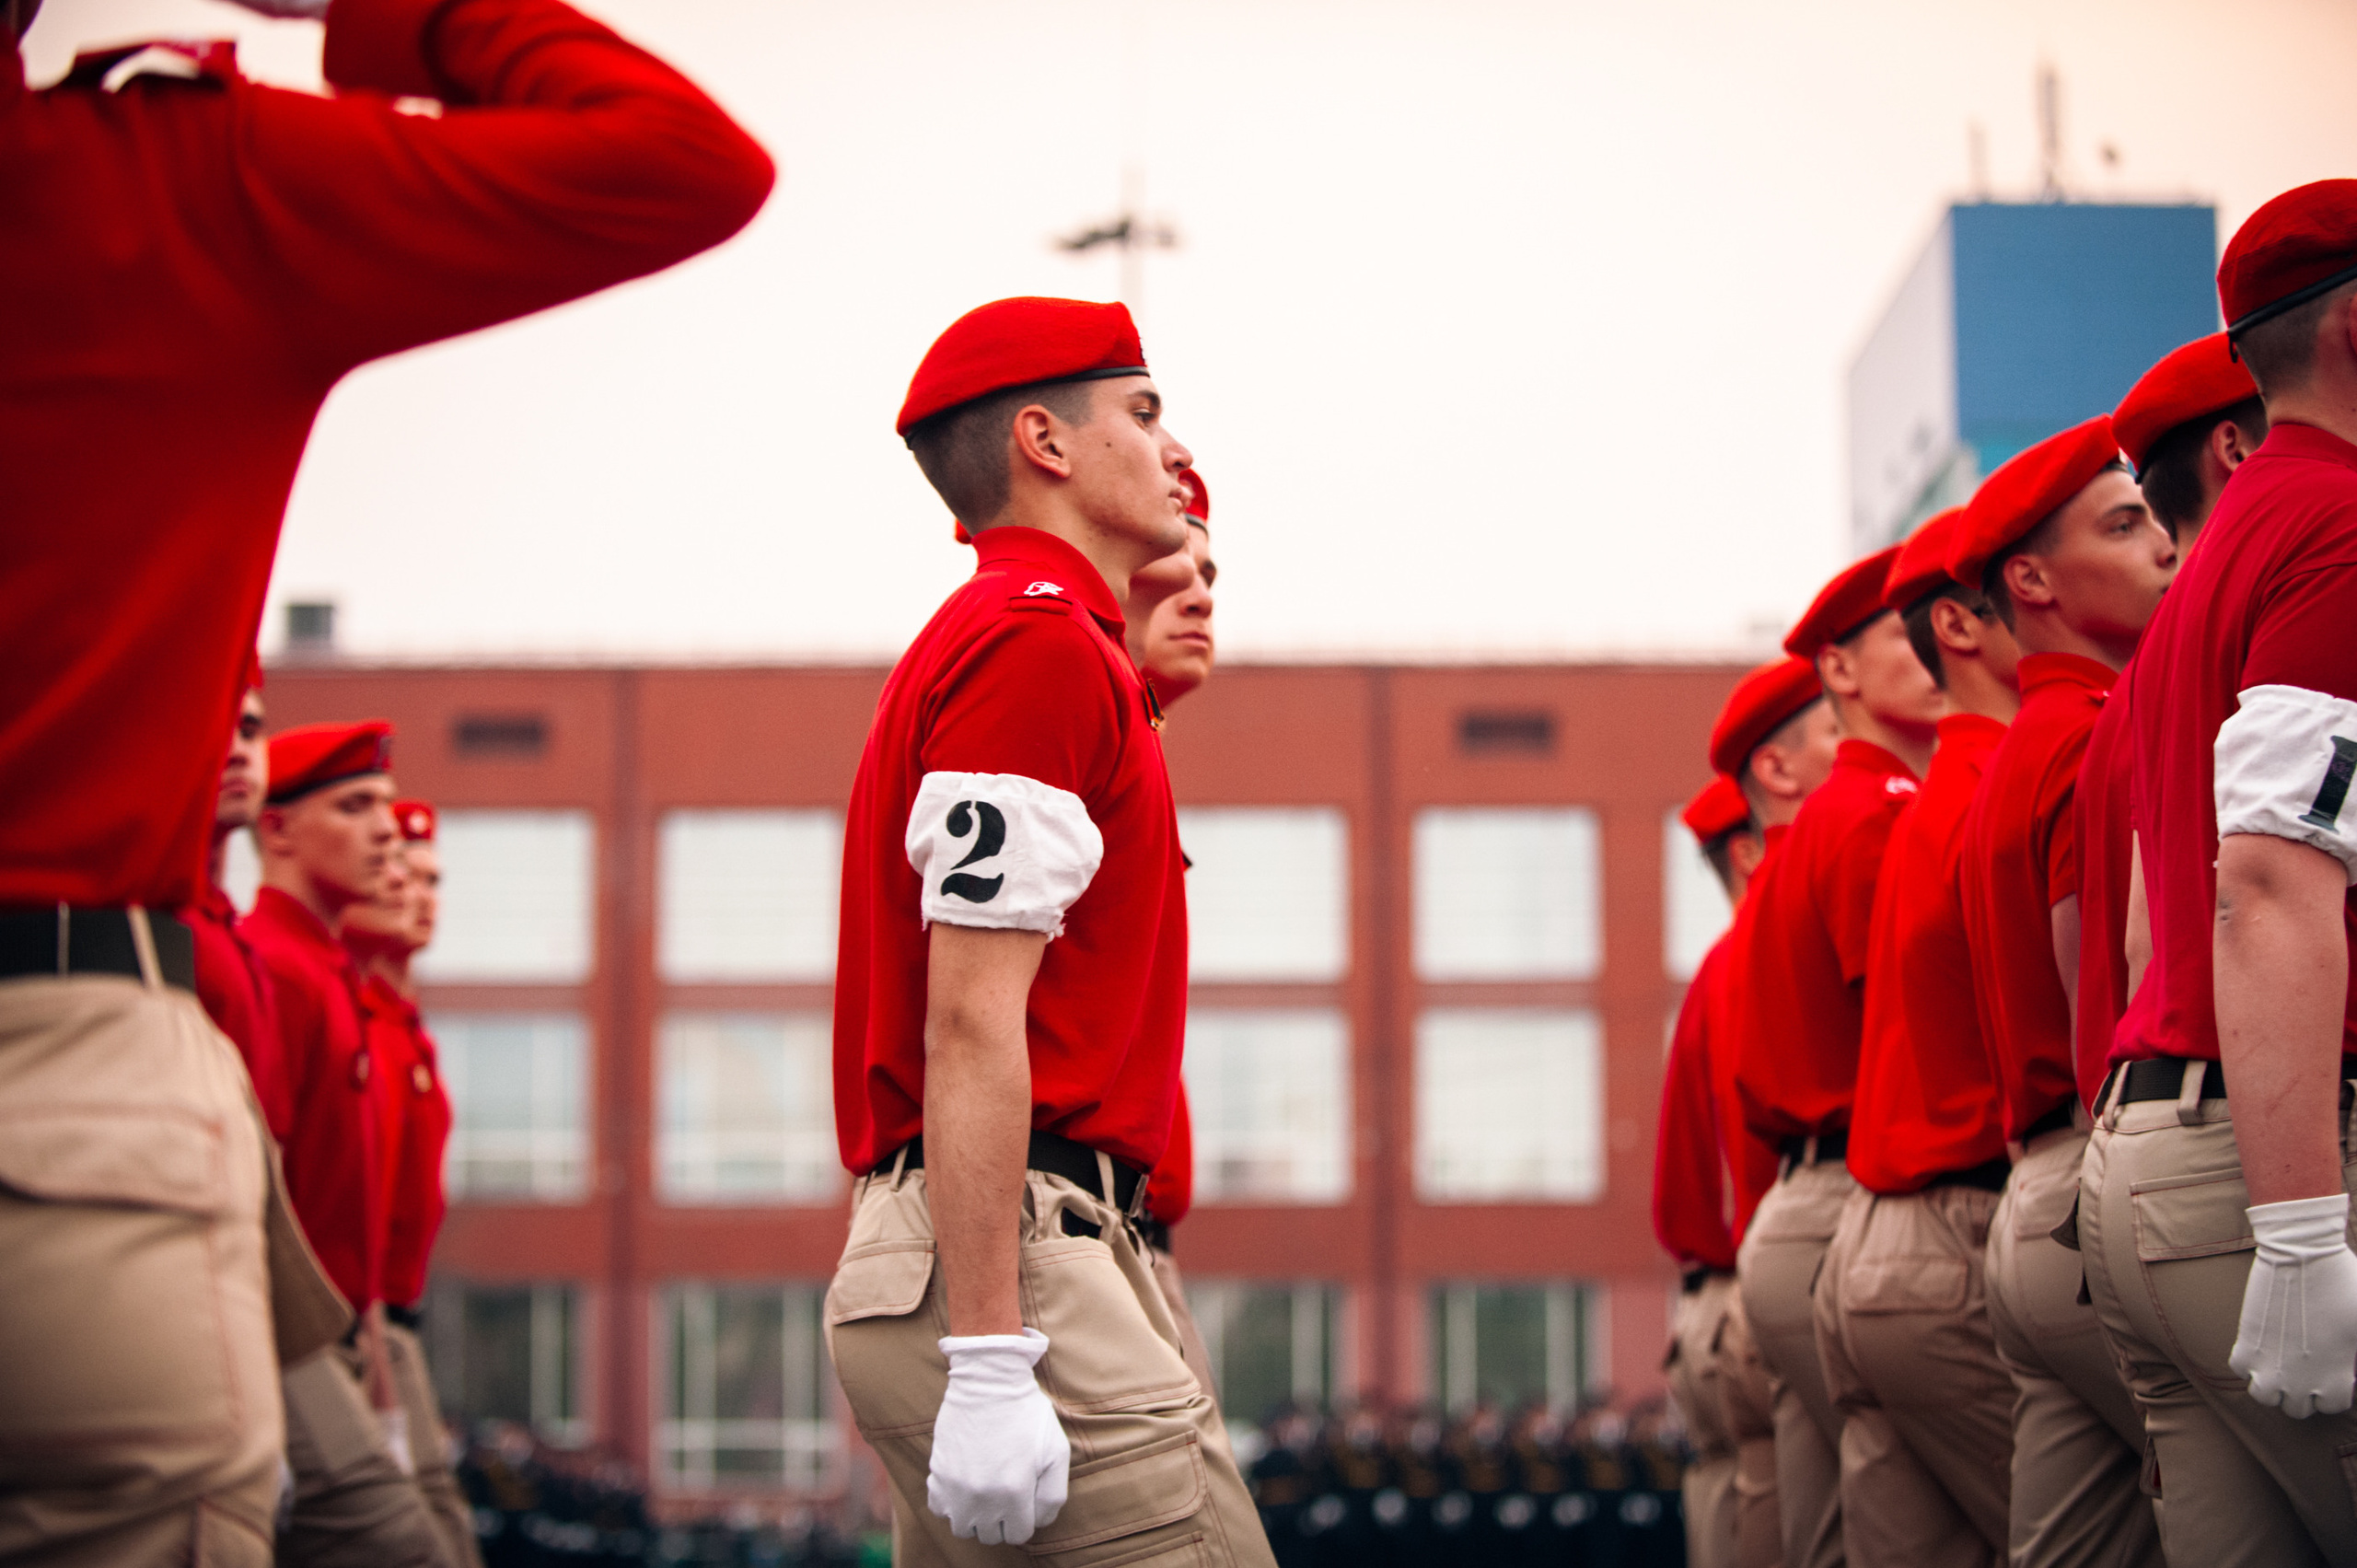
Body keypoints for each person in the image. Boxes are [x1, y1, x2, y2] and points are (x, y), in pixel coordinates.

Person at [0, 2, 770, 1557]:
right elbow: (680, 161)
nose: (406, 857)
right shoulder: (155, 185)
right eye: (360, 814)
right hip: (60, 1048)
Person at [826, 296, 1274, 1563]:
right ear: (1047, 441)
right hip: (1018, 1251)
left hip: (1028, 1241)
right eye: (1141, 411)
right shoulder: (1036, 641)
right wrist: (984, 1349)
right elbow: (970, 1017)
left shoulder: (1031, 633)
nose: (1171, 444)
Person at [2081, 179, 2357, 1563]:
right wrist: (2307, 1228)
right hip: (2272, 1166)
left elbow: (2149, 924)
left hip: (2161, 1141)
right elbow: (2267, 879)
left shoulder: (2219, 560)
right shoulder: (2338, 524)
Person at [1944, 418, 2173, 1568]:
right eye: (2124, 525)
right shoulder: (2087, 737)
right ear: (2030, 580)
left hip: (2028, 1209)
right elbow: (2108, 990)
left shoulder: (2016, 748)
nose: (2165, 547)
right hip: (2091, 1187)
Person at [1812, 509, 2019, 1568]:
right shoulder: (1890, 805)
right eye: (1907, 637)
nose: (1932, 655)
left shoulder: (1914, 794)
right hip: (1929, 1215)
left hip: (1875, 1222)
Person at [1732, 546, 1941, 1568]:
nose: (1940, 638)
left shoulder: (1831, 818)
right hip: (1855, 1201)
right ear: (1843, 673)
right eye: (1906, 629)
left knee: (1840, 1533)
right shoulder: (1870, 813)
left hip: (1813, 1206)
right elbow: (1896, 1035)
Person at [247, 721, 452, 1567]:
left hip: (361, 1334)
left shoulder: (334, 982)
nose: (397, 863)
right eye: (356, 806)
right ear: (279, 827)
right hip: (297, 1337)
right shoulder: (279, 968)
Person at [2073, 336, 2266, 1111]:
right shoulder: (2254, 615)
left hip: (2148, 1097)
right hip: (2231, 1093)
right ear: (2235, 448)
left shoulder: (2145, 668)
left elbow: (2136, 942)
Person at [345, 800, 477, 1568]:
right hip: (360, 1329)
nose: (418, 894)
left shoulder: (402, 1022)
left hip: (398, 1327)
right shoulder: (352, 1012)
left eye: (432, 879)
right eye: (402, 872)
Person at [1654, 772, 1765, 1568]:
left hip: (1706, 1312)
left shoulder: (1710, 973)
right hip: (1745, 1297)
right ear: (1750, 850)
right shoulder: (1749, 965)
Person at [1126, 467, 1219, 1395]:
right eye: (1170, 563)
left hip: (1133, 1243)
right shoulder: (1071, 732)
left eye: (1210, 576)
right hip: (1089, 1239)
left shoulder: (1137, 750)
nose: (1199, 595)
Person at [185, 660, 292, 1136]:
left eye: (250, 731)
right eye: (214, 724)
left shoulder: (228, 935)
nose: (238, 753)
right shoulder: (151, 927)